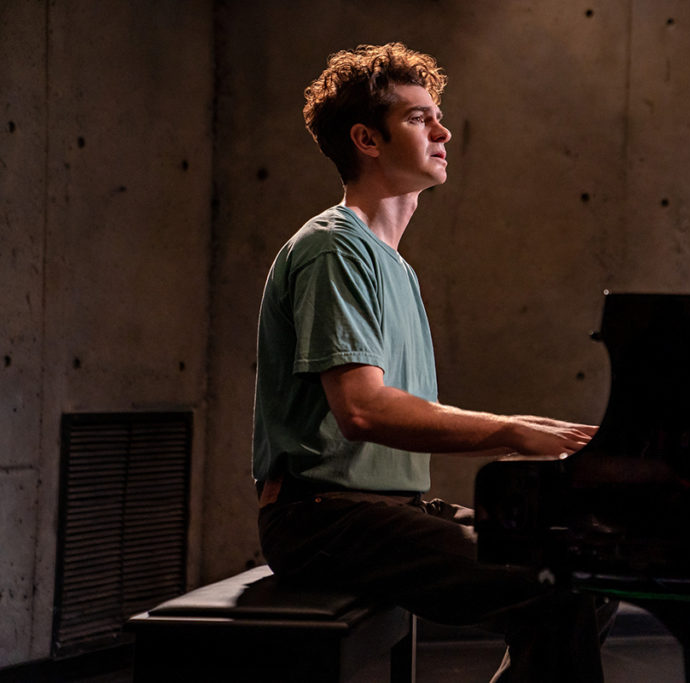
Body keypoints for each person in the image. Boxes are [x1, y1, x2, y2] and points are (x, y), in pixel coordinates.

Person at [252, 43, 615, 682]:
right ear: (367, 138)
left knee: (592, 567)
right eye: (421, 118)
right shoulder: (335, 249)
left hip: (388, 509)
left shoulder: (395, 266)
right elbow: (363, 410)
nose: (444, 131)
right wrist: (509, 430)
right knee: (555, 586)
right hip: (322, 519)